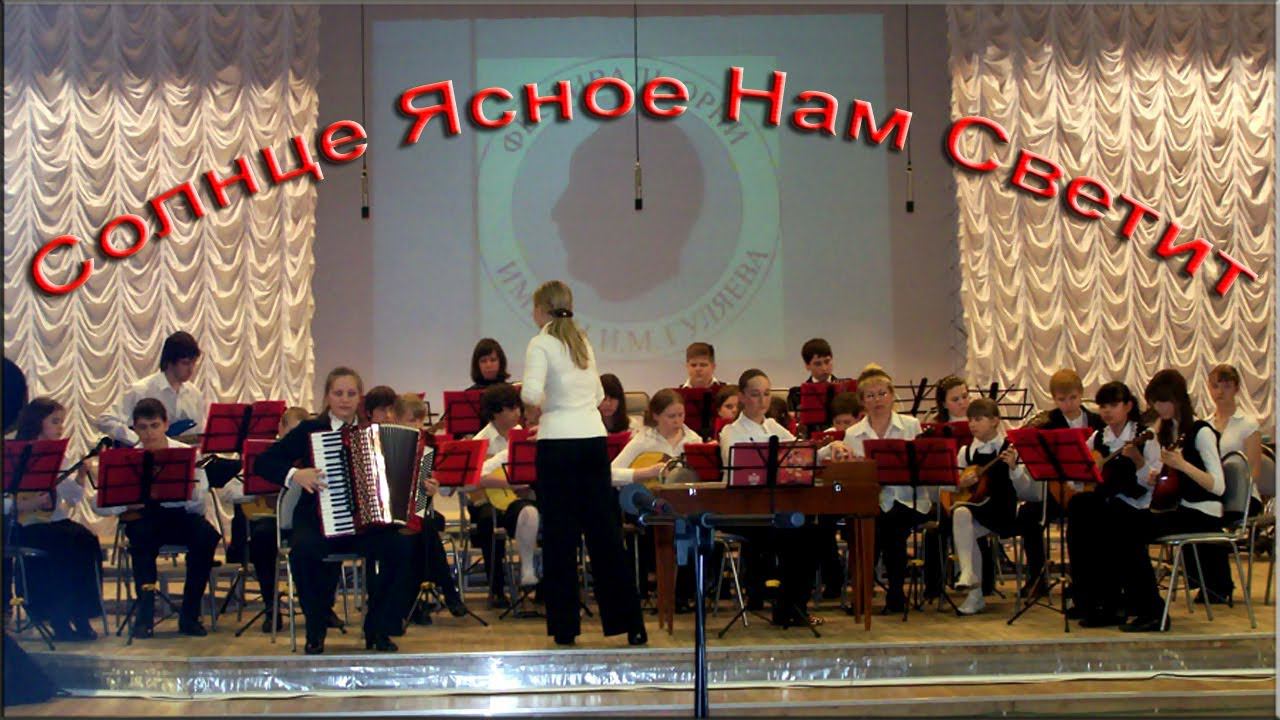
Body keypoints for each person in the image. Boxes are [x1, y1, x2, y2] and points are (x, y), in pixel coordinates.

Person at [520, 280, 646, 647]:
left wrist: (542, 405)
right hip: (592, 442)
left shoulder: (541, 342)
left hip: (557, 444)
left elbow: (530, 393)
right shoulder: (582, 341)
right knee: (605, 534)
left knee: (560, 536)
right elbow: (597, 393)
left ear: (541, 309)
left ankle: (565, 628)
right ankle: (630, 624)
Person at [253, 367, 413, 654]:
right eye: (338, 393)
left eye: (351, 393)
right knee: (303, 552)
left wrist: (421, 485)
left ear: (359, 397)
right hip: (316, 519)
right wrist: (295, 474)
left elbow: (402, 474)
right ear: (327, 396)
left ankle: (377, 627)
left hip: (365, 524)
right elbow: (263, 463)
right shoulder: (310, 430)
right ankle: (315, 629)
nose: (344, 399)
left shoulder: (375, 432)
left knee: (399, 548)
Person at [93, 399, 219, 638]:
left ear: (165, 425)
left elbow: (199, 502)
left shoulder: (187, 454)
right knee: (141, 539)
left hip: (179, 515)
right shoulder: (127, 458)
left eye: (154, 426)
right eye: (143, 427)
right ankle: (145, 616)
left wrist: (182, 493)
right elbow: (100, 505)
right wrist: (127, 503)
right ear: (134, 428)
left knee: (207, 536)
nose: (149, 433)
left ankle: (190, 615)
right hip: (144, 517)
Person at [1114, 369, 1227, 631]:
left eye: (1163, 401)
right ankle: (1135, 603)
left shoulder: (1201, 432)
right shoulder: (1168, 430)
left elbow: (1219, 486)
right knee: (1120, 523)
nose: (1158, 407)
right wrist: (1154, 473)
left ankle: (1153, 612)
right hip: (1179, 508)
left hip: (1203, 513)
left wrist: (1183, 465)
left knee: (1131, 532)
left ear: (1178, 399)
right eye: (1155, 402)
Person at [719, 368, 826, 626]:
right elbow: (736, 468)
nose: (762, 400)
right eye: (755, 394)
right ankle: (784, 605)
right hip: (742, 511)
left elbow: (801, 453)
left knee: (811, 534)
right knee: (793, 536)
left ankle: (792, 607)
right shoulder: (731, 431)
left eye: (766, 394)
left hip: (773, 509)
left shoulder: (773, 426)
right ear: (742, 397)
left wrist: (830, 448)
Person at [842, 363, 937, 613]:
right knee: (866, 525)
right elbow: (849, 476)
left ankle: (894, 593)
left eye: (882, 393)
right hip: (872, 502)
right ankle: (864, 593)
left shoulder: (910, 425)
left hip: (909, 500)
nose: (877, 400)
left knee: (891, 524)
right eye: (870, 395)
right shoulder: (853, 433)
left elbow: (922, 468)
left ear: (892, 395)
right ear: (862, 401)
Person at [6, 399, 104, 640]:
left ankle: (81, 615)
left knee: (86, 540)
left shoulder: (59, 456)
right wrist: (27, 504)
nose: (61, 427)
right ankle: (58, 619)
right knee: (61, 544)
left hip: (54, 522)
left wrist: (81, 475)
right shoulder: (12, 455)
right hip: (23, 525)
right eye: (55, 421)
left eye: (62, 421)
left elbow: (73, 498)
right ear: (37, 422)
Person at [1069, 382, 1159, 627]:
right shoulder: (1098, 437)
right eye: (1103, 406)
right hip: (1108, 508)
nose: (1107, 411)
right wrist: (1085, 472)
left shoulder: (1145, 436)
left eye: (1113, 405)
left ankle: (1134, 606)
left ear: (1128, 406)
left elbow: (1154, 483)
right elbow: (1076, 480)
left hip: (1140, 508)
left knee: (1111, 520)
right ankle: (1094, 601)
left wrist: (1138, 461)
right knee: (1079, 507)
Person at [217, 406, 309, 632]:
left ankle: (320, 609)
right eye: (291, 432)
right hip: (269, 520)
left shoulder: (312, 455)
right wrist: (256, 490)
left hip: (302, 521)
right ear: (280, 429)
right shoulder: (265, 454)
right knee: (261, 539)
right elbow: (228, 492)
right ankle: (271, 606)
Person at [1016, 368, 1104, 599]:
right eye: (1061, 400)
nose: (1068, 404)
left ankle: (1082, 580)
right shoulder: (1047, 423)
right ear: (1053, 399)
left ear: (1081, 394)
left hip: (1089, 492)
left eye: (1073, 398)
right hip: (1057, 492)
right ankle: (1037, 576)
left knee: (1082, 516)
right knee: (1028, 514)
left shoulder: (1097, 422)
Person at [469, 383, 541, 605]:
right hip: (486, 501)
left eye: (517, 407)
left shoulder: (523, 435)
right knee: (487, 522)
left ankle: (545, 587)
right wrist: (510, 483)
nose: (517, 412)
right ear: (495, 413)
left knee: (550, 512)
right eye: (510, 408)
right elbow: (473, 480)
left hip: (519, 499)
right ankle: (497, 589)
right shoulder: (481, 440)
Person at [949, 398, 1022, 615]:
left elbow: (1027, 489)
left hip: (1002, 509)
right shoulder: (966, 452)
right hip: (977, 507)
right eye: (970, 419)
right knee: (961, 512)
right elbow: (953, 488)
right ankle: (969, 575)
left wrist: (1014, 468)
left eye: (979, 419)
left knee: (965, 525)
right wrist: (961, 483)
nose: (972, 424)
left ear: (995, 421)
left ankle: (974, 592)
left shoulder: (1010, 448)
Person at [96, 331, 210, 446]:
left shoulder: (195, 394)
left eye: (194, 363)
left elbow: (198, 432)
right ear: (169, 362)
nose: (191, 369)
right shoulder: (142, 390)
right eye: (185, 363)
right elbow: (105, 419)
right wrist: (137, 440)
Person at [1206, 363, 1264, 516]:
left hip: (1243, 497)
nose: (1220, 392)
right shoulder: (1205, 425)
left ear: (1236, 389)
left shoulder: (1248, 424)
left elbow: (1254, 471)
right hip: (1213, 496)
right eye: (1215, 386)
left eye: (1226, 386)